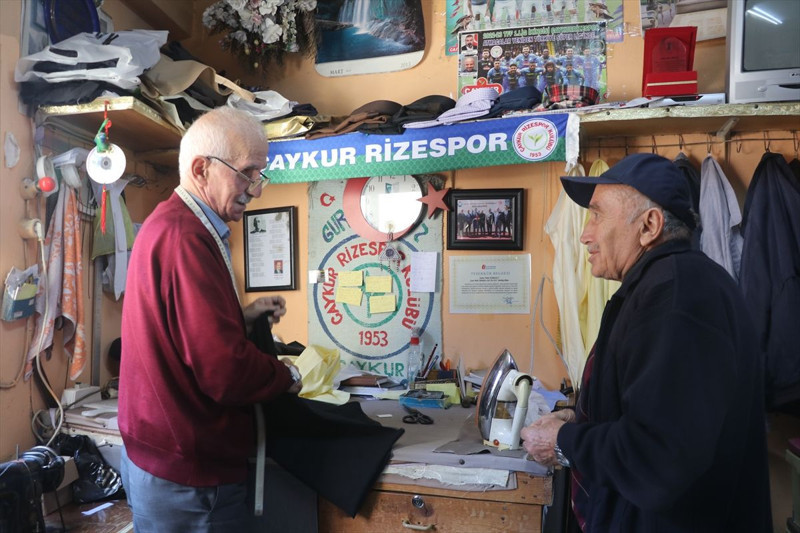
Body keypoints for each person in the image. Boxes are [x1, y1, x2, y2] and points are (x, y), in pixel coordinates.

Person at [521, 153, 772, 532]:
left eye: (598, 215)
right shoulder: (662, 285)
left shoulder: (676, 296)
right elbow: (656, 412)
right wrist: (581, 418)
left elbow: (659, 454)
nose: (585, 234)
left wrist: (564, 441)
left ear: (649, 225)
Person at [118, 106, 303, 532]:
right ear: (202, 169)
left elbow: (180, 331)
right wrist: (284, 375)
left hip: (166, 465)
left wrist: (241, 318)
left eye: (260, 175)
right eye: (247, 173)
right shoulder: (187, 239)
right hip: (190, 479)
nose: (256, 189)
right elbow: (224, 372)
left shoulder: (172, 226)